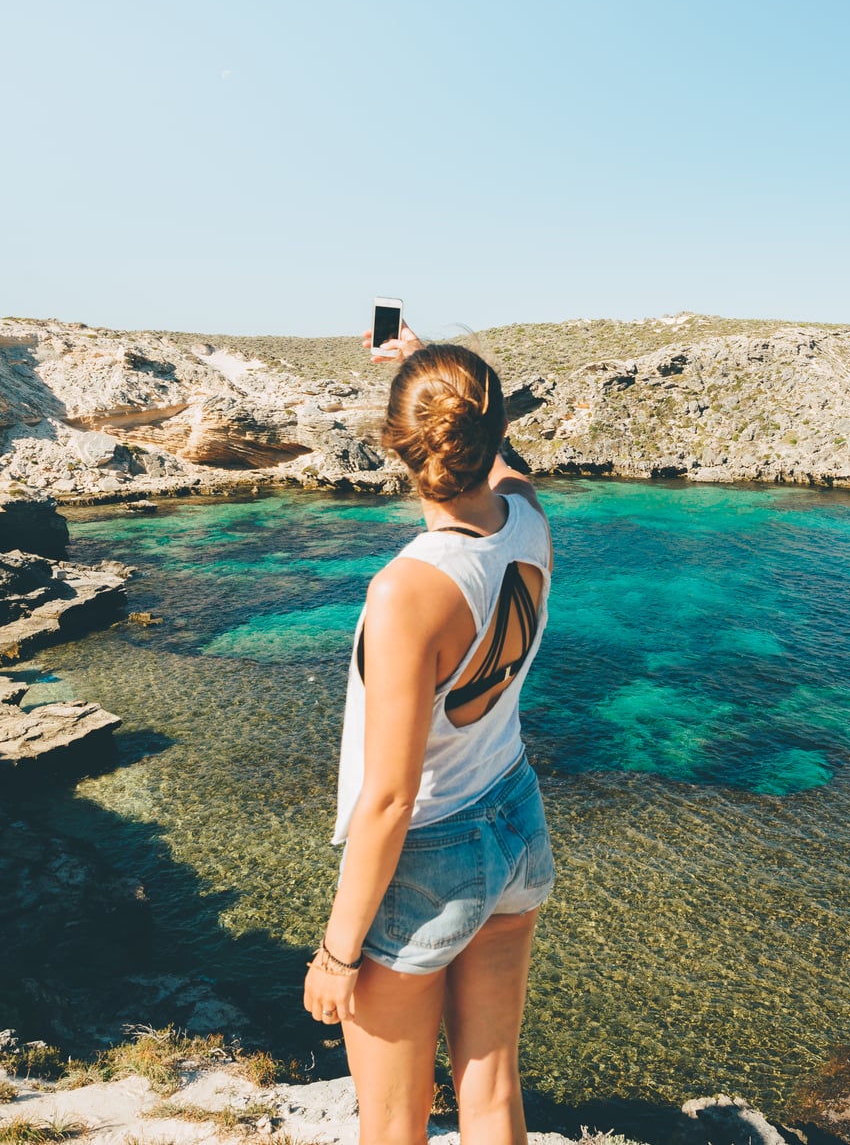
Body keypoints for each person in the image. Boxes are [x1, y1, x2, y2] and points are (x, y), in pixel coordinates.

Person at [302, 325, 557, 1145]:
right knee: (490, 1094)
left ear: (395, 446)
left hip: (430, 853)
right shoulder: (528, 519)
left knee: (392, 1125)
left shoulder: (407, 587)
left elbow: (389, 795)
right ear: (490, 433)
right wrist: (437, 367)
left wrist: (338, 952)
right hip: (515, 815)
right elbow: (509, 466)